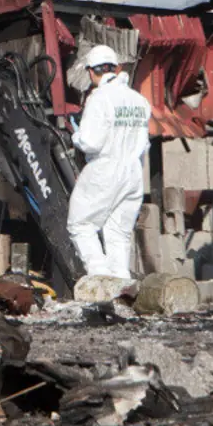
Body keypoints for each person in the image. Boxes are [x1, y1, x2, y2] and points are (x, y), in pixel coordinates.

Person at [67, 44, 152, 280]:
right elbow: (145, 143)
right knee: (118, 233)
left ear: (91, 72)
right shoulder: (139, 101)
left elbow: (91, 142)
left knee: (81, 225)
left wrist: (76, 135)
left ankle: (100, 278)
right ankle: (122, 284)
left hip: (104, 169)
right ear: (116, 68)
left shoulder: (99, 99)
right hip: (134, 172)